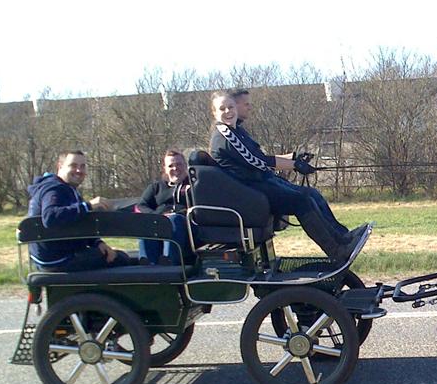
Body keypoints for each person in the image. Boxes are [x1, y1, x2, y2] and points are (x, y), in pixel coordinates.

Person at [208, 90, 367, 261]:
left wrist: (293, 158)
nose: (228, 112)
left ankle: (343, 238)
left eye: (230, 107)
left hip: (257, 184)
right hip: (249, 190)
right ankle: (336, 251)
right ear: (214, 112)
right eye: (222, 109)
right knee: (301, 201)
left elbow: (257, 158)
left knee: (309, 194)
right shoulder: (225, 135)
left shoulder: (236, 131)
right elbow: (256, 161)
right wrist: (295, 165)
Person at [27, 151, 132, 272]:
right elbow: (50, 217)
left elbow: (76, 222)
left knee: (116, 255)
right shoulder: (54, 189)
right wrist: (88, 205)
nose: (79, 170)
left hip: (56, 255)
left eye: (82, 166)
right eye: (73, 165)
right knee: (121, 259)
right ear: (60, 166)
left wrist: (97, 243)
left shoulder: (66, 188)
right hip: (58, 260)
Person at [134, 149, 193, 265]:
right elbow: (141, 206)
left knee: (174, 220)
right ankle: (147, 263)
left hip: (184, 225)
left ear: (185, 166)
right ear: (165, 169)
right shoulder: (156, 187)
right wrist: (158, 218)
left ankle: (169, 261)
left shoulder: (193, 186)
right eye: (171, 166)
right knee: (146, 221)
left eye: (179, 164)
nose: (175, 169)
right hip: (158, 222)